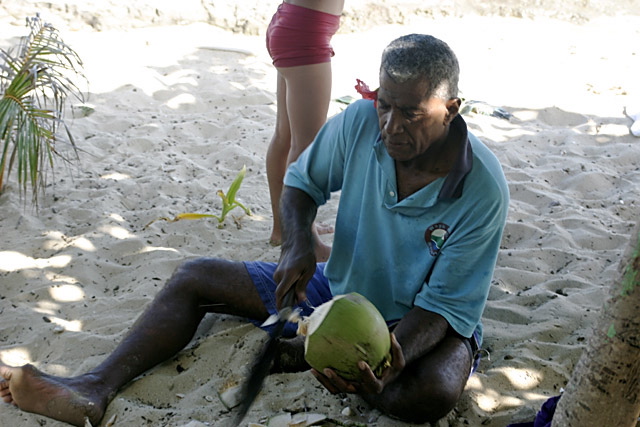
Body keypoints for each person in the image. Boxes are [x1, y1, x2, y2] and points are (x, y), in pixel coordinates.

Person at [0, 34, 509, 426]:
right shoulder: (359, 123)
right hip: (338, 291)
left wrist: (382, 358)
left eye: (412, 113)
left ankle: (312, 356)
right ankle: (94, 387)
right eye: (385, 105)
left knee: (432, 394)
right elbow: (300, 186)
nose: (391, 126)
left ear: (452, 110)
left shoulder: (482, 190)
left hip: (424, 319)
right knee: (194, 277)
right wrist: (296, 246)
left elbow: (443, 308)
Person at [265, 0, 345, 261]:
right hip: (304, 35)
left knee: (286, 137)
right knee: (307, 146)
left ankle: (284, 229)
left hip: (291, 22)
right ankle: (305, 240)